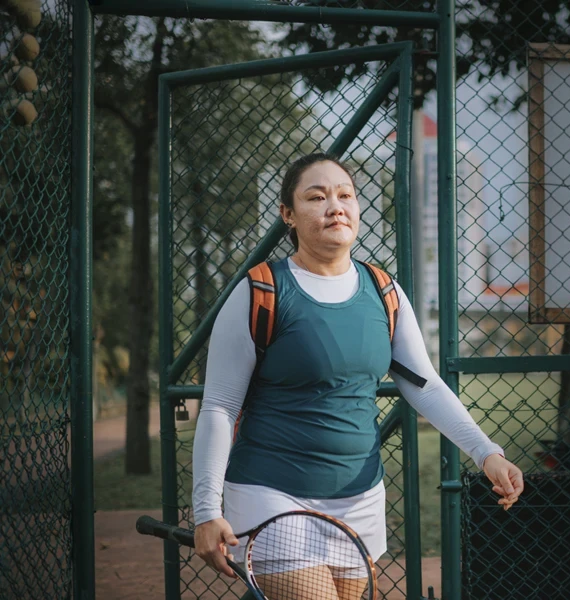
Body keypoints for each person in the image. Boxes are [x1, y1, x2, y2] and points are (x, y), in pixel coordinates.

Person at [192, 153, 525, 600]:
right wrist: (205, 510)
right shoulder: (261, 290)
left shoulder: (383, 290)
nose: (335, 206)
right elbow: (218, 407)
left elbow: (423, 384)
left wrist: (487, 453)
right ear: (287, 214)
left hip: (360, 499)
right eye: (317, 196)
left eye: (345, 194)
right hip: (273, 498)